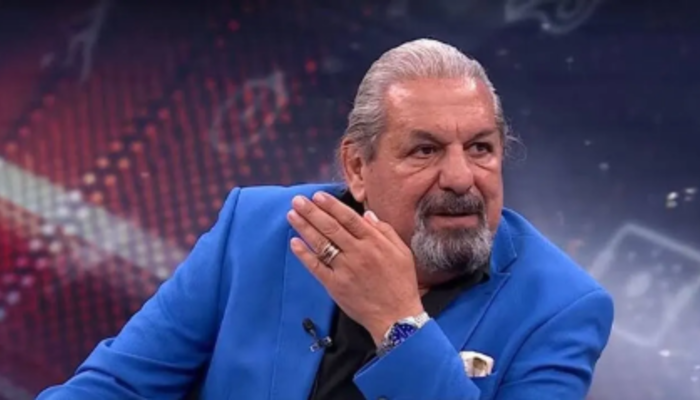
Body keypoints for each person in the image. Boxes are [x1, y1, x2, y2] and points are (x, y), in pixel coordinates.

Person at [37, 38, 614, 400]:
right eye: (426, 150)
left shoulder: (560, 308)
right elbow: (117, 385)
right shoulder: (255, 230)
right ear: (357, 167)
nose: (462, 178)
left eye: (481, 148)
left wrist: (400, 323)